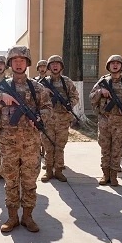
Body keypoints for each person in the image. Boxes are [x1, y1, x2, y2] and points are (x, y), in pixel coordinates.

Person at [0, 46, 52, 233]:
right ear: (9, 64)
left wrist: (40, 118)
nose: (18, 63)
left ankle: (28, 217)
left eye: (22, 60)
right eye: (14, 60)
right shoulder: (1, 87)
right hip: (8, 145)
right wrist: (0, 98)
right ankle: (12, 217)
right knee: (11, 181)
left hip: (31, 144)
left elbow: (48, 108)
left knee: (30, 182)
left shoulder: (37, 88)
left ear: (27, 63)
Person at [90, 54, 122, 187]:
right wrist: (101, 92)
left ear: (121, 66)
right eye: (112, 63)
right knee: (105, 148)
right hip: (105, 120)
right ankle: (105, 174)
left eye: (118, 63)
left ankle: (113, 176)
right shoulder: (102, 82)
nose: (115, 65)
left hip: (120, 121)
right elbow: (91, 97)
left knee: (117, 149)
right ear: (108, 66)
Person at [37, 54, 79, 182]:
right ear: (49, 67)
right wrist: (45, 93)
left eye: (57, 64)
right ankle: (49, 171)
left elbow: (75, 97)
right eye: (52, 64)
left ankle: (59, 170)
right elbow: (35, 99)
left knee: (60, 146)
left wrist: (69, 104)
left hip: (63, 120)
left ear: (61, 67)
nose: (55, 66)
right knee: (48, 147)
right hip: (48, 120)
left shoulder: (67, 82)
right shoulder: (42, 83)